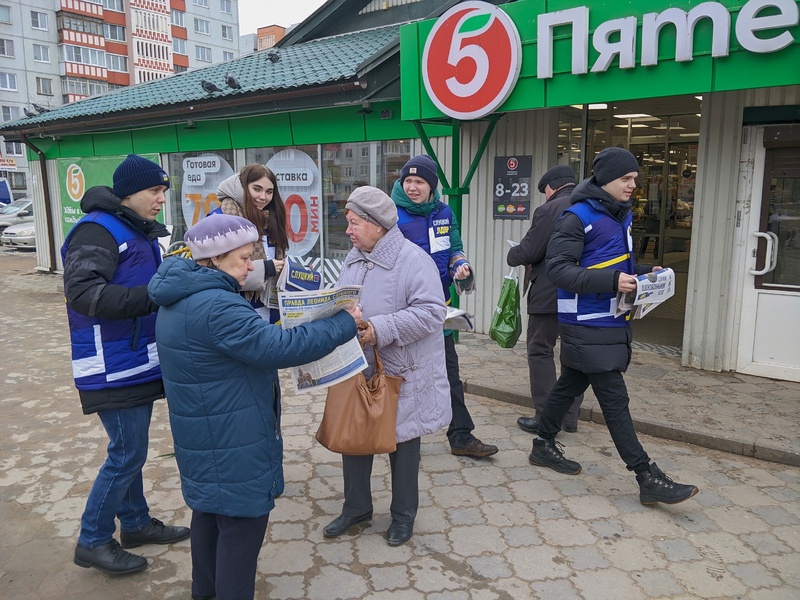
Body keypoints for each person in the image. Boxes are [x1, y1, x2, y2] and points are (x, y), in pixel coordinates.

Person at [148, 213, 359, 600]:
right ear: (213, 259)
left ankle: (205, 593)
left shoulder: (178, 297)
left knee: (210, 520)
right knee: (241, 534)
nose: (252, 266)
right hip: (233, 442)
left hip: (205, 437)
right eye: (244, 257)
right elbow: (280, 348)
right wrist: (343, 323)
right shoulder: (217, 307)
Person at [528, 147, 699, 506]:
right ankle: (645, 475)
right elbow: (557, 270)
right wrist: (613, 281)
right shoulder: (577, 216)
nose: (634, 185)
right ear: (606, 180)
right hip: (584, 321)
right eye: (627, 178)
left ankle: (543, 444)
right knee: (615, 400)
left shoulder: (620, 216)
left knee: (569, 383)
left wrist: (642, 274)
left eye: (635, 178)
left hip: (609, 319)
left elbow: (611, 262)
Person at [62, 154, 190, 576]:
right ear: (129, 193)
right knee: (125, 453)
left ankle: (134, 524)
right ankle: (93, 540)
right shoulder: (96, 231)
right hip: (109, 364)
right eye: (154, 191)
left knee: (130, 451)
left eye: (163, 192)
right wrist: (154, 295)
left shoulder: (138, 231)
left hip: (134, 360)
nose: (160, 199)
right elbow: (83, 294)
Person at [324, 186, 451, 547]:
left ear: (377, 225)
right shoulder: (353, 257)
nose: (348, 230)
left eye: (353, 223)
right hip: (359, 368)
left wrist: (378, 329)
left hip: (402, 372)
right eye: (347, 223)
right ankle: (357, 508)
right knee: (355, 437)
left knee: (403, 445)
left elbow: (432, 312)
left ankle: (403, 516)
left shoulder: (413, 260)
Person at [390, 155, 498, 459]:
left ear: (431, 186)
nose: (412, 187)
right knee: (400, 373)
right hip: (405, 311)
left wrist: (460, 265)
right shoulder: (390, 214)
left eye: (419, 182)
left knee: (449, 372)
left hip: (442, 308)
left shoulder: (443, 212)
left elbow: (453, 248)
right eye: (407, 181)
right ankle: (391, 435)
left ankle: (461, 436)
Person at [507, 165, 584, 435]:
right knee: (574, 354)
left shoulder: (549, 209)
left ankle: (545, 417)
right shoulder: (593, 204)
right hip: (584, 292)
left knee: (540, 350)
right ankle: (570, 417)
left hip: (550, 292)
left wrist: (512, 254)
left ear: (550, 188)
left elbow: (530, 250)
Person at [214, 163, 288, 322]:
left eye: (269, 192)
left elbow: (274, 259)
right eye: (257, 189)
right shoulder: (220, 218)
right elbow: (213, 272)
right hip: (236, 309)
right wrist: (266, 268)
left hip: (272, 307)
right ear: (243, 187)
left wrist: (293, 272)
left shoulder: (270, 219)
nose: (263, 197)